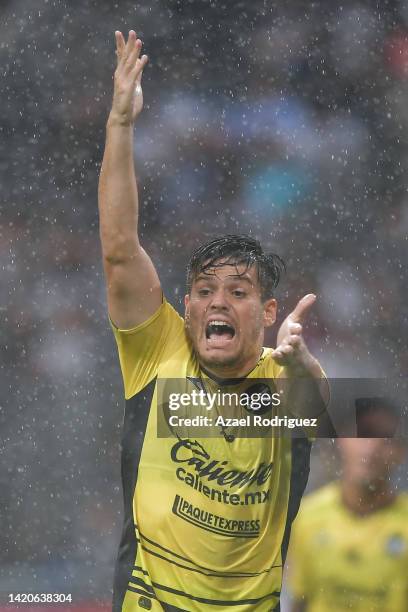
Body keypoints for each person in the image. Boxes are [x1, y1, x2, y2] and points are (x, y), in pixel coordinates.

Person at [98, 30, 330, 612]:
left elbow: (323, 410)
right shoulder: (159, 351)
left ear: (269, 312)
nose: (218, 302)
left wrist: (301, 362)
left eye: (238, 291)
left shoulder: (284, 383)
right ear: (188, 306)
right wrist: (120, 125)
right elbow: (121, 248)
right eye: (204, 291)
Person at [288, 398, 408, 612]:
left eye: (385, 438)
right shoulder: (308, 515)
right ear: (342, 440)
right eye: (363, 435)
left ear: (400, 452)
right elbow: (299, 600)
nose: (371, 447)